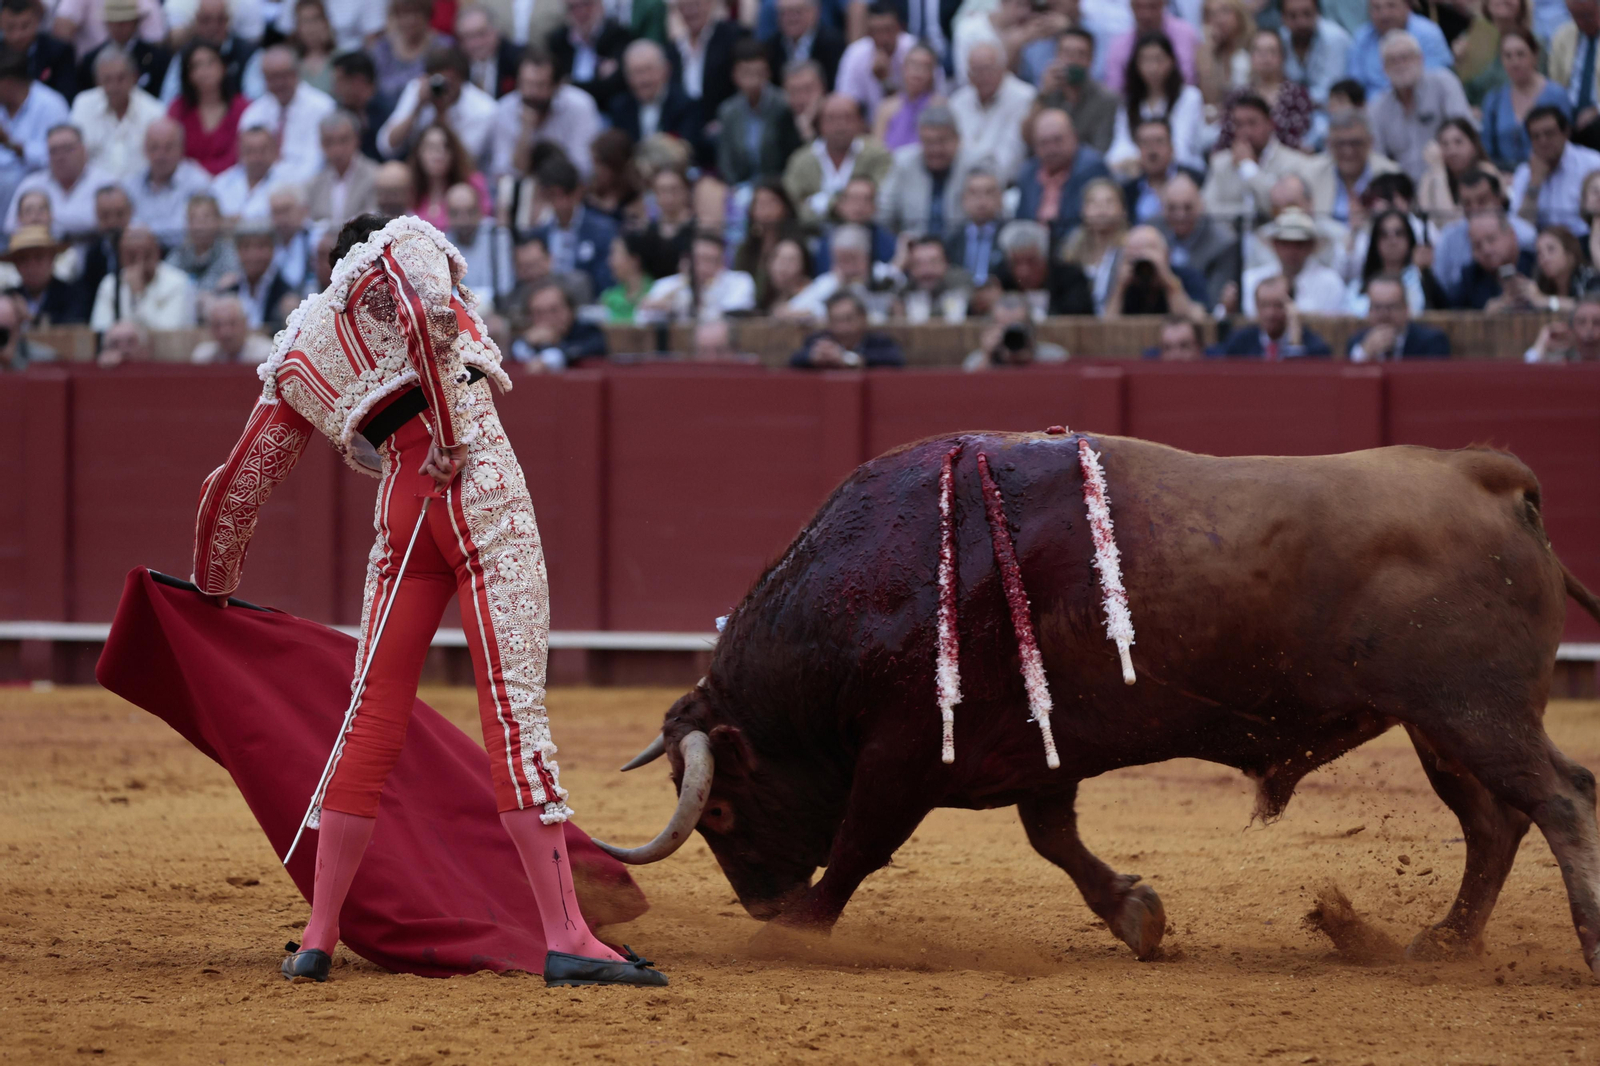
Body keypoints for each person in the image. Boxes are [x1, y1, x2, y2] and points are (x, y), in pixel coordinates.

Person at [194, 215, 663, 987]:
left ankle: (317, 934)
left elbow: (236, 488)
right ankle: (566, 934)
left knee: (367, 718)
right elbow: (425, 315)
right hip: (477, 488)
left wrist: (213, 588)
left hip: (403, 511)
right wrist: (446, 431)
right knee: (512, 711)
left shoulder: (304, 345)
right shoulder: (404, 246)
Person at [1366, 32, 1472, 184]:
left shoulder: (1444, 83)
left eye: (1405, 57)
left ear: (1420, 59)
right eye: (1392, 61)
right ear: (1384, 68)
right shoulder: (1377, 108)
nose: (1400, 65)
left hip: (1450, 179)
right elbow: (1377, 158)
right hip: (1404, 191)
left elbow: (1465, 135)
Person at [783, 92, 893, 227]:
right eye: (831, 118)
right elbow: (789, 204)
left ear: (860, 122)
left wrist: (821, 203)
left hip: (867, 231)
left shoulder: (878, 155)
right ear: (819, 124)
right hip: (813, 235)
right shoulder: (801, 160)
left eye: (847, 117)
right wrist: (836, 206)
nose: (840, 125)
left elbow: (885, 198)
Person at [490, 46, 601, 180]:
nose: (532, 93)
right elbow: (503, 173)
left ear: (557, 85)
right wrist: (525, 132)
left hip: (567, 190)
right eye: (526, 84)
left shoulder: (580, 106)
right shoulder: (505, 109)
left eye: (540, 85)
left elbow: (583, 168)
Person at [380, 46, 499, 166]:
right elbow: (387, 146)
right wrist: (417, 107)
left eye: (450, 81)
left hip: (462, 177)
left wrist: (441, 112)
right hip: (418, 170)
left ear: (462, 80)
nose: (444, 87)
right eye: (438, 80)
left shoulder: (484, 109)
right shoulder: (417, 90)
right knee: (392, 173)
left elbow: (464, 162)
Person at [239, 46, 338, 185]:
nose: (279, 83)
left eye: (284, 76)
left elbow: (317, 163)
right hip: (262, 189)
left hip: (309, 187)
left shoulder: (323, 108)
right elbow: (246, 162)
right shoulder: (254, 112)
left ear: (297, 73)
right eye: (272, 77)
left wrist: (281, 184)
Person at [1108, 34, 1205, 174]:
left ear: (1171, 61)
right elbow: (1119, 148)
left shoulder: (1189, 97)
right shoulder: (1129, 101)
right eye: (1145, 60)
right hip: (1136, 173)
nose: (1152, 68)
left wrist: (1137, 159)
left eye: (1158, 60)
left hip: (1183, 172)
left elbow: (1179, 147)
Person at [1214, 30, 1317, 157]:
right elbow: (1226, 137)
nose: (1265, 57)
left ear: (1282, 57)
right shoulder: (1237, 96)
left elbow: (1298, 134)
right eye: (1259, 52)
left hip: (1285, 160)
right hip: (1240, 157)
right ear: (1251, 57)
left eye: (1272, 51)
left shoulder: (1296, 94)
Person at [1481, 30, 1572, 173]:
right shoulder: (1494, 99)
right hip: (1505, 176)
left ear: (1534, 55)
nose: (1515, 62)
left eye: (1520, 54)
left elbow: (1566, 142)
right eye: (1508, 56)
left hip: (1549, 172)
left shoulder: (1556, 95)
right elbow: (1487, 149)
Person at [875, 105, 969, 239]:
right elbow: (883, 212)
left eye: (941, 141)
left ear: (957, 139)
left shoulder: (975, 164)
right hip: (915, 248)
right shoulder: (903, 162)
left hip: (961, 248)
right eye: (929, 142)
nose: (935, 149)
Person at [947, 42, 1034, 186]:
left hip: (1006, 186)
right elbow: (953, 151)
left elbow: (1010, 158)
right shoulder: (957, 102)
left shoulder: (1024, 97)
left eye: (988, 69)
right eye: (976, 71)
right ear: (968, 75)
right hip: (961, 186)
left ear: (1003, 69)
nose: (982, 76)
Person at [1015, 108, 1110, 240]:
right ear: (1034, 146)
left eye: (1057, 140)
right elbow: (1022, 220)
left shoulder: (1091, 168)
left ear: (1074, 137)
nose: (1051, 149)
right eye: (1044, 143)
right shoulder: (1027, 173)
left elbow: (1082, 222)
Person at [70, 50, 161, 181]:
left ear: (134, 78)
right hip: (93, 192)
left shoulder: (154, 111)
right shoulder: (83, 105)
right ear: (98, 81)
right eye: (107, 79)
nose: (114, 86)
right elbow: (75, 156)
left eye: (121, 78)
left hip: (141, 193)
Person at [89, 222, 197, 330]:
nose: (140, 263)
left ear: (158, 253)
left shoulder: (179, 283)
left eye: (147, 255)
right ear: (121, 258)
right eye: (132, 256)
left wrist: (138, 297)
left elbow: (168, 332)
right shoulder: (110, 285)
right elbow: (100, 331)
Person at [534, 153, 616, 296]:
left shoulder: (603, 230)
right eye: (553, 195)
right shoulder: (539, 235)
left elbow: (607, 283)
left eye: (565, 194)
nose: (560, 203)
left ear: (578, 191)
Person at [1239, 206, 1347, 314]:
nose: (1292, 251)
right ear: (1275, 245)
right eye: (1285, 243)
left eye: (1299, 244)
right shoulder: (1252, 280)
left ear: (1311, 246)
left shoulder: (1330, 283)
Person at [1512, 106, 1600, 236]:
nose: (1543, 141)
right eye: (1536, 136)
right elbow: (1520, 231)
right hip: (1540, 247)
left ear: (1566, 133)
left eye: (1549, 133)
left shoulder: (1592, 163)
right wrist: (1534, 183)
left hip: (1585, 241)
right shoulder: (1524, 174)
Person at [781, 222, 895, 321]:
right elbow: (785, 311)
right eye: (842, 260)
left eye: (853, 259)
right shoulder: (827, 283)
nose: (849, 268)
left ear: (866, 257)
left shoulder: (884, 276)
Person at [122, 117, 210, 245]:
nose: (160, 155)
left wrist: (144, 232)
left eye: (168, 148)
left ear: (181, 148)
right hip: (141, 252)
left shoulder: (198, 182)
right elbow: (125, 226)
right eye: (154, 148)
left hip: (182, 256)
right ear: (145, 150)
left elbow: (183, 229)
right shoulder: (131, 184)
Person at [5, 124, 103, 238]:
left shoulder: (103, 182)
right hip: (41, 253)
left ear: (83, 150)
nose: (60, 156)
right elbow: (11, 226)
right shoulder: (31, 184)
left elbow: (107, 223)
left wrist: (46, 220)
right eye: (54, 151)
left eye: (67, 149)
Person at [0, 48, 68, 212]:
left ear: (8, 83)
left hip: (40, 182)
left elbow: (57, 157)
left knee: (9, 181)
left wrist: (11, 144)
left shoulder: (51, 104)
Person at [165, 41, 247, 176]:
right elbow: (172, 152)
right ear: (188, 74)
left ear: (223, 67)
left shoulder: (242, 107)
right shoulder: (178, 108)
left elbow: (241, 154)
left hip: (232, 183)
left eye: (211, 63)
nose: (205, 71)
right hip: (186, 183)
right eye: (197, 66)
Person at [1033, 28, 1118, 157]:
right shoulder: (1047, 94)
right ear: (1057, 56)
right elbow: (1029, 140)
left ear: (1091, 59)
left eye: (1080, 54)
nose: (1073, 61)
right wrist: (1043, 95)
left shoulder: (1106, 100)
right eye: (1067, 53)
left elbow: (1100, 149)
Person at [1157, 173, 1238, 306]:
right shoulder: (1153, 233)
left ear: (1201, 206)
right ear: (1162, 209)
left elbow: (1214, 299)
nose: (1180, 215)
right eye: (1172, 208)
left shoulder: (1222, 242)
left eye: (1187, 207)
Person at [1307, 109, 1400, 225]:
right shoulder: (1311, 174)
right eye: (1340, 144)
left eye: (1356, 143)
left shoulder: (1391, 175)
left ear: (1370, 142)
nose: (1348, 151)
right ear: (1329, 144)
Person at [1346, 207, 1447, 314]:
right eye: (1384, 234)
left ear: (1409, 239)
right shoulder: (1356, 289)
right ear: (1375, 242)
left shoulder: (1422, 280)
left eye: (1399, 233)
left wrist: (1423, 272)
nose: (1392, 240)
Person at [835, 2, 923, 124]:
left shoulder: (914, 50)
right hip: (867, 129)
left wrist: (885, 81)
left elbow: (924, 101)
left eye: (888, 30)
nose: (883, 38)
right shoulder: (855, 54)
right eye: (876, 31)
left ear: (899, 28)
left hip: (912, 126)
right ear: (868, 32)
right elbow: (845, 102)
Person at [638, 231, 756, 322]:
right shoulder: (667, 284)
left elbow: (732, 317)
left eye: (710, 260)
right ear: (686, 259)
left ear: (722, 263)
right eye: (698, 259)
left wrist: (679, 306)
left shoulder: (739, 282)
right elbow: (642, 320)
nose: (703, 267)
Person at [608, 39, 702, 150]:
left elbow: (685, 150)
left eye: (649, 70)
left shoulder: (686, 106)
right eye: (636, 72)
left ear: (666, 69)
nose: (644, 79)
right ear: (626, 76)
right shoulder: (620, 107)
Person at [1345, 0, 1453, 96]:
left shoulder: (1429, 33)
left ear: (1407, 6)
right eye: (1376, 8)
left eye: (1391, 6)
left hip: (1423, 103)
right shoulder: (1361, 38)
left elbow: (1436, 80)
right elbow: (1355, 86)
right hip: (1371, 112)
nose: (1384, 14)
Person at [65, 0, 168, 99]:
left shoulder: (155, 58)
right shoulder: (90, 59)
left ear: (136, 22)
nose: (118, 27)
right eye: (113, 21)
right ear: (106, 23)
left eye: (124, 22)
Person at [990, 218, 1094, 316]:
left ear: (1044, 258)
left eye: (1031, 261)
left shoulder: (1071, 279)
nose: (1024, 271)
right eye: (1016, 263)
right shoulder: (999, 281)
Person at [546, 0, 635, 113]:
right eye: (573, 7)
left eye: (586, 4)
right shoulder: (558, 41)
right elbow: (553, 85)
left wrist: (570, 84)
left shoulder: (618, 36)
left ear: (600, 5)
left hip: (604, 112)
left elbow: (615, 86)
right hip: (565, 112)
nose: (581, 12)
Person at [718, 39, 786, 185]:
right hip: (741, 187)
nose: (753, 80)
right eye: (746, 73)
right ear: (734, 75)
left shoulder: (783, 104)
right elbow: (726, 162)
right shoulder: (728, 111)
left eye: (758, 73)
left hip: (777, 186)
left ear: (768, 73)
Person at [159, 0, 257, 101]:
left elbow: (254, 99)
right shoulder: (184, 54)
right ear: (196, 21)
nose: (213, 27)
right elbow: (169, 99)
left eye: (220, 20)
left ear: (228, 21)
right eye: (206, 20)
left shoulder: (248, 53)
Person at [1219, 274, 1333, 356]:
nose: (1270, 313)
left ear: (1291, 307)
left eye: (1278, 305)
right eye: (1264, 305)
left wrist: (1295, 344)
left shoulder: (1313, 345)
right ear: (1256, 306)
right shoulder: (1240, 343)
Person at [670, 0, 746, 121]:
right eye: (684, 6)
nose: (691, 11)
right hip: (686, 122)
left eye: (696, 4)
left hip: (723, 120)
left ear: (709, 4)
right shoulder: (674, 48)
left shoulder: (731, 36)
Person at [1059, 177, 1127, 313]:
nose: (1101, 209)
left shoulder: (1130, 249)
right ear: (1083, 210)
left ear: (1123, 209)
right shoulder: (1071, 250)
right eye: (1093, 203)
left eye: (1109, 202)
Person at [1119, 117, 1203, 226]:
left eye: (1159, 141)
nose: (1152, 150)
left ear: (1172, 147)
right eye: (1145, 143)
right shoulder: (1127, 191)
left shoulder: (1197, 180)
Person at [1103, 0, 1198, 94]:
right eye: (1139, 7)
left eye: (1152, 6)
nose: (1146, 14)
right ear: (1131, 8)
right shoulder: (1119, 45)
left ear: (1163, 5)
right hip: (1134, 105)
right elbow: (1114, 90)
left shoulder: (1184, 34)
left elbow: (1187, 78)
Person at [1347, 272, 1451, 358]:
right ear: (1369, 311)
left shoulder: (1432, 342)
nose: (1384, 314)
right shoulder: (1358, 342)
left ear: (1406, 309)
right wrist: (1364, 355)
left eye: (1391, 307)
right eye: (1377, 307)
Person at [790, 289, 903, 367]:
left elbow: (895, 359)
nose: (843, 327)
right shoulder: (819, 341)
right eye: (836, 320)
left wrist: (848, 359)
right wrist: (813, 357)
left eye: (848, 319)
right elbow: (794, 360)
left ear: (863, 318)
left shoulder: (879, 342)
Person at [511, 277, 608, 367]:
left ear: (570, 311)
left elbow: (593, 347)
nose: (547, 318)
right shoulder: (528, 340)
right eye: (538, 313)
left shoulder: (590, 333)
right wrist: (525, 342)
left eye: (554, 310)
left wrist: (557, 347)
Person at [1417, 118, 1498, 225]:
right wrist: (1437, 171)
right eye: (1445, 144)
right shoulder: (1433, 174)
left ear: (1473, 145)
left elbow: (1450, 221)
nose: (1452, 151)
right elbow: (1425, 217)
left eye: (1458, 142)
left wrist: (1438, 170)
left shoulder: (1487, 172)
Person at [306, 111, 379, 227]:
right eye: (329, 142)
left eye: (343, 140)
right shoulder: (314, 183)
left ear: (357, 139)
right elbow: (310, 225)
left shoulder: (375, 176)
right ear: (321, 144)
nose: (337, 150)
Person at [961, 292, 1068, 371]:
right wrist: (987, 359)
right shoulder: (976, 361)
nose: (1011, 335)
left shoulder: (1054, 358)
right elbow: (972, 391)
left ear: (1031, 329)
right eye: (1004, 328)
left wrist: (1029, 359)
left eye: (1017, 327)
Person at [409, 123, 487, 231]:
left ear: (453, 153)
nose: (438, 153)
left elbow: (484, 226)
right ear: (419, 153)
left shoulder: (472, 184)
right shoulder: (410, 189)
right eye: (431, 147)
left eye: (445, 146)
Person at [372, 0, 449, 104]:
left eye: (417, 13)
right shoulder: (382, 48)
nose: (410, 20)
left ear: (427, 14)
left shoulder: (443, 46)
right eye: (404, 14)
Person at [1457, 210, 1538, 308]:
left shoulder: (1537, 265)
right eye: (1477, 245)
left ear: (1511, 235)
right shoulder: (1470, 277)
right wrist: (1485, 315)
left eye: (1491, 239)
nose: (1486, 250)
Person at [3, 224, 82, 324]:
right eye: (23, 259)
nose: (32, 266)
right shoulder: (8, 298)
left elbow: (73, 325)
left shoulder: (72, 295)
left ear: (52, 259)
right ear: (15, 264)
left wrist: (30, 318)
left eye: (39, 257)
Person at [223, 220, 295, 330]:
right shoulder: (229, 290)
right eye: (246, 247)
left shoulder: (285, 294)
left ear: (273, 249)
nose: (253, 254)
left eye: (261, 246)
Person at [1280, 0, 1353, 106]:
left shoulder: (1335, 38)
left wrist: (1290, 100)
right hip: (1289, 109)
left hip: (1329, 110)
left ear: (1318, 12)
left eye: (1307, 14)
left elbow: (1330, 91)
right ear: (1283, 18)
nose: (1301, 22)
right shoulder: (1280, 38)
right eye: (1293, 16)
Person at [871, 41, 940, 153]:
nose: (917, 71)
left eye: (924, 66)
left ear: (932, 73)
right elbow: (877, 151)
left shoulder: (940, 106)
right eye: (913, 65)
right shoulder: (885, 108)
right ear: (903, 69)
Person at [0, 0, 76, 101]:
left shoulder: (59, 52)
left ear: (37, 22)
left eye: (25, 26)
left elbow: (67, 96)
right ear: (1, 24)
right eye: (11, 27)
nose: (18, 35)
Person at [165, 192, 240, 294]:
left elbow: (231, 281)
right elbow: (165, 281)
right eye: (193, 219)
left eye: (206, 218)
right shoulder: (179, 254)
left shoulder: (230, 253)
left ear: (218, 221)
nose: (199, 225)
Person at [764, 0, 843, 92]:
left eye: (797, 12)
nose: (791, 18)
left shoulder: (833, 43)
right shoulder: (772, 45)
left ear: (814, 12)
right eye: (783, 13)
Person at [213, 125, 286, 223]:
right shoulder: (222, 183)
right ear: (240, 152)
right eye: (250, 151)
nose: (257, 157)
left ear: (274, 151)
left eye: (262, 151)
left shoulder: (286, 184)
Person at [763, 58, 825, 174]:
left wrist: (808, 134)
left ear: (822, 88)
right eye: (794, 91)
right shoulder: (779, 122)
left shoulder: (837, 116)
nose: (801, 99)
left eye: (808, 89)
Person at [1549, 0, 1600, 141]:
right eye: (1575, 16)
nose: (1582, 21)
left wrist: (1597, 110)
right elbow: (1555, 83)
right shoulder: (1562, 37)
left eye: (1587, 15)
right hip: (1567, 114)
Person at [945, 168, 1004, 286]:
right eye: (973, 193)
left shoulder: (1008, 235)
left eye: (989, 192)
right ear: (963, 199)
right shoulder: (952, 240)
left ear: (1000, 199)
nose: (981, 200)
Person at [332, 51, 393, 162]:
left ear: (358, 81)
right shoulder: (339, 110)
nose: (335, 89)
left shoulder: (389, 110)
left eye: (339, 81)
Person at [635, 166, 693, 279]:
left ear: (686, 191)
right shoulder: (647, 232)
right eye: (662, 190)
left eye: (674, 189)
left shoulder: (699, 229)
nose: (669, 197)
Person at [895, 235, 970, 322]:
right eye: (918, 264)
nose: (926, 270)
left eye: (933, 262)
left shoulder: (960, 282)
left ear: (946, 263)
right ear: (910, 268)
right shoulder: (905, 287)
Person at [1196, 0, 1253, 109]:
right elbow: (1210, 101)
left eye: (1225, 11)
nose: (1218, 19)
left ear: (1239, 15)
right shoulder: (1205, 52)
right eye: (1211, 14)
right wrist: (1208, 50)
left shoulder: (1255, 46)